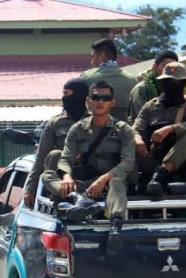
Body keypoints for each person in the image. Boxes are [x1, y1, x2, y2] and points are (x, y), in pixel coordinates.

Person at [41, 80, 135, 254]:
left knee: (117, 182)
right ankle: (77, 199)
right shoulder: (77, 129)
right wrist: (67, 176)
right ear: (88, 101)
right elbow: (66, 157)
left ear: (112, 102)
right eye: (96, 97)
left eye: (105, 98)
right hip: (85, 182)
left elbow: (128, 162)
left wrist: (104, 179)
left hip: (110, 180)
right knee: (47, 176)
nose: (100, 102)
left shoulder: (123, 130)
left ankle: (115, 228)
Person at [132, 62, 186, 197]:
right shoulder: (150, 106)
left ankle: (161, 175)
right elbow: (136, 128)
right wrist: (137, 139)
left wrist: (171, 128)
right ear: (162, 82)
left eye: (177, 82)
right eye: (168, 81)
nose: (173, 85)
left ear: (184, 84)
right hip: (152, 156)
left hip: (181, 161)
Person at [23, 77, 89, 208]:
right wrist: (30, 189)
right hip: (60, 177)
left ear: (80, 95)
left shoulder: (96, 119)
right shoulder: (55, 122)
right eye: (63, 94)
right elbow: (41, 157)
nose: (64, 98)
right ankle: (67, 196)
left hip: (88, 175)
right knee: (54, 154)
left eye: (67, 94)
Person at [80, 38, 137, 121]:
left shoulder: (86, 77)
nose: (91, 62)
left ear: (102, 56)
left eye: (93, 57)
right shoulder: (132, 79)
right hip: (123, 130)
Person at [128, 50, 179, 123]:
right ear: (154, 66)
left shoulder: (174, 89)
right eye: (165, 66)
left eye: (173, 68)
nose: (169, 70)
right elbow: (143, 118)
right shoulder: (142, 89)